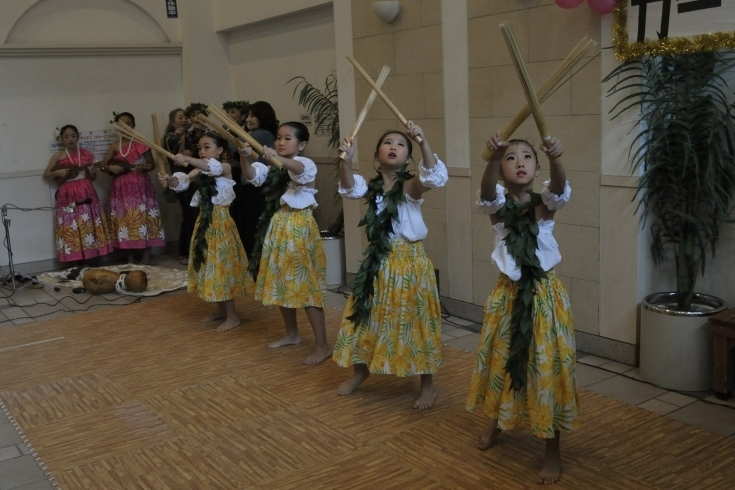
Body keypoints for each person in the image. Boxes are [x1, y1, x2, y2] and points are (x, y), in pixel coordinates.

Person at [466, 130, 580, 485]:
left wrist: (557, 158)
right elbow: (486, 193)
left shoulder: (541, 206)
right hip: (508, 296)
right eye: (511, 158)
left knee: (546, 369)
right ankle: (498, 422)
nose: (519, 163)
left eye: (527, 157)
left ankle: (552, 449)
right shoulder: (499, 210)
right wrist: (491, 157)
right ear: (502, 170)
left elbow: (559, 189)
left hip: (545, 296)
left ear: (536, 168)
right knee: (502, 361)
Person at [332, 123, 448, 409]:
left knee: (416, 322)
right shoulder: (371, 189)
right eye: (388, 143)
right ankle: (361, 371)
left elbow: (431, 178)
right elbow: (348, 187)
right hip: (377, 262)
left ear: (408, 158)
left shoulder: (410, 186)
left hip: (410, 262)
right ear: (376, 154)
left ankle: (427, 384)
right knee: (364, 317)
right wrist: (344, 161)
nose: (394, 146)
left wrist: (422, 141)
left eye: (400, 144)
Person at [238, 122, 329, 365]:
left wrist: (277, 156)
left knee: (306, 286)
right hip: (279, 224)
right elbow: (250, 176)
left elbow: (299, 169)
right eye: (279, 137)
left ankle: (322, 345)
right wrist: (244, 157)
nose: (281, 142)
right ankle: (292, 334)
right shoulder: (274, 165)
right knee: (280, 282)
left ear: (301, 144)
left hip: (300, 227)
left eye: (288, 138)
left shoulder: (304, 163)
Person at [160, 132, 253, 332]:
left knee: (221, 269)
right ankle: (220, 310)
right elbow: (181, 181)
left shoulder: (225, 168)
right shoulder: (199, 171)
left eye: (207, 147)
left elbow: (212, 167)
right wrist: (169, 179)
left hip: (221, 225)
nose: (202, 151)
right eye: (200, 148)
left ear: (220, 150)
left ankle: (233, 316)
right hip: (204, 223)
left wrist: (186, 158)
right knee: (209, 267)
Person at [43, 124, 113, 263]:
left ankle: (91, 256)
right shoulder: (58, 155)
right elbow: (46, 175)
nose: (70, 139)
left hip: (85, 190)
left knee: (87, 222)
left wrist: (92, 172)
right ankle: (74, 258)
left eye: (73, 136)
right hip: (67, 192)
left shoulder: (85, 154)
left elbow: (92, 178)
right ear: (62, 138)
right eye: (67, 136)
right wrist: (58, 172)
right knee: (71, 223)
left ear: (78, 137)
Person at [103, 112, 165, 264]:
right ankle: (129, 255)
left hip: (139, 185)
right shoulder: (114, 145)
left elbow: (151, 164)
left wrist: (141, 167)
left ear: (134, 126)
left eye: (128, 124)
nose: (124, 127)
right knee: (125, 220)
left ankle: (146, 254)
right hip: (121, 187)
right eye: (121, 124)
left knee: (142, 217)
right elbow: (103, 166)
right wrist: (112, 169)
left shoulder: (141, 142)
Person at [235, 100, 277, 256]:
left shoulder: (261, 134)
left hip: (258, 185)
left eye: (253, 115)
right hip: (254, 182)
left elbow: (235, 146)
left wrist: (232, 128)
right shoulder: (262, 133)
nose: (248, 119)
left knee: (253, 224)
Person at [163, 107, 199, 265]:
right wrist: (180, 138)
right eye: (180, 118)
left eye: (185, 117)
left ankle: (195, 249)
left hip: (195, 179)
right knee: (190, 215)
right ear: (172, 122)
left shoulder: (190, 134)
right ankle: (185, 251)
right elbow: (172, 142)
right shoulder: (170, 136)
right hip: (181, 181)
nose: (184, 120)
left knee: (195, 215)